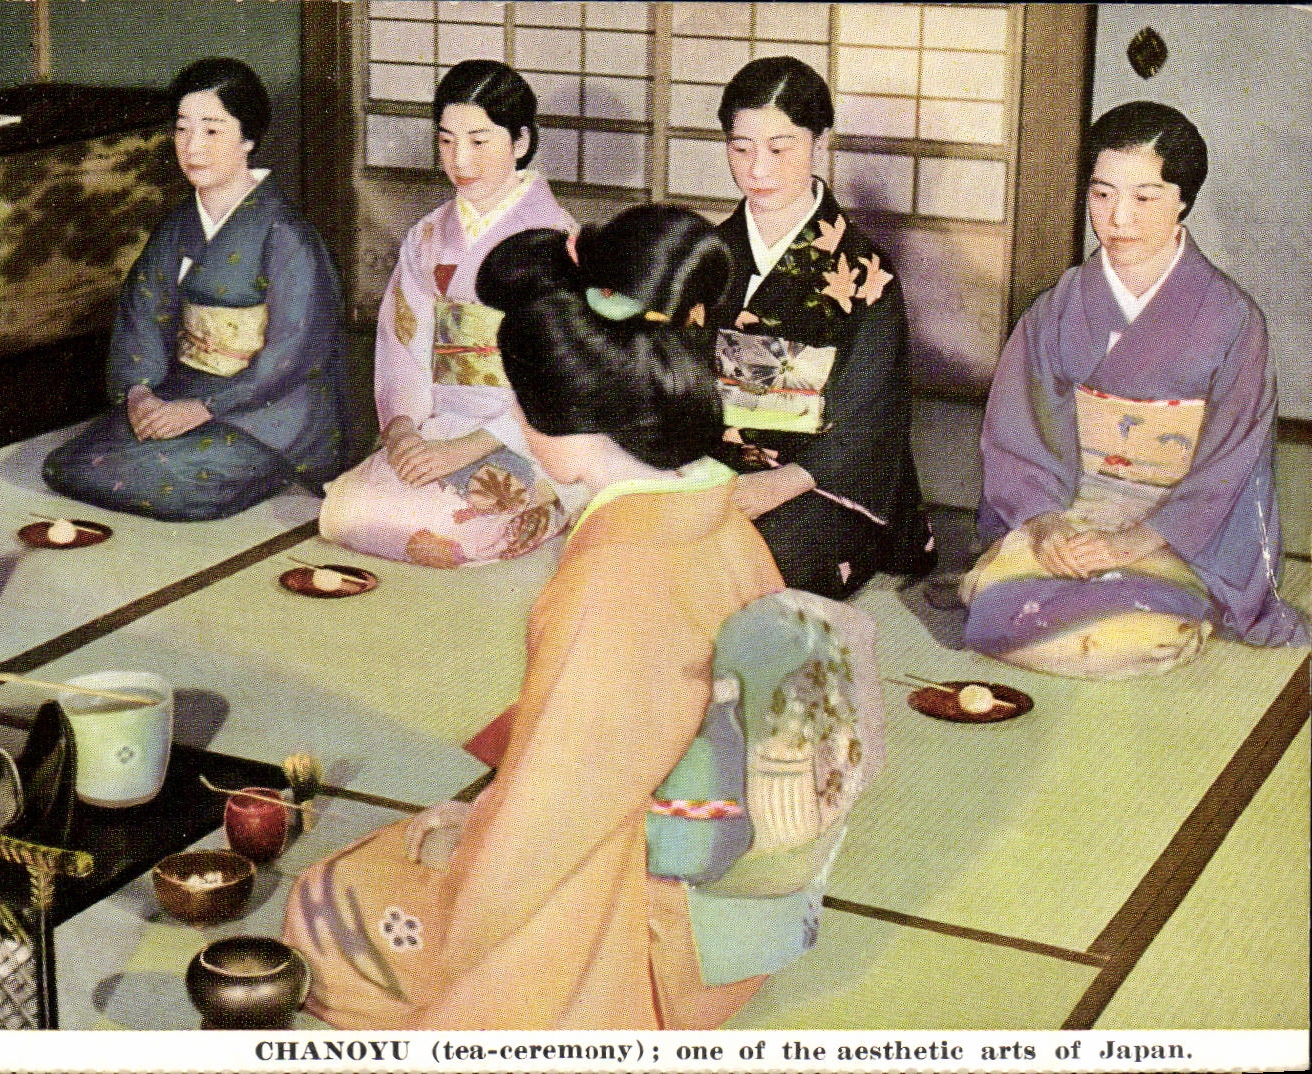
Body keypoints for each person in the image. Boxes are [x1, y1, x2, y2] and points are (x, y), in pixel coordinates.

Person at [284, 205, 870, 1030]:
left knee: (325, 907)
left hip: (644, 931)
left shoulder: (615, 576)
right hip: (741, 919)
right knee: (421, 842)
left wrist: (475, 846)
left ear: (544, 411)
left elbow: (559, 814)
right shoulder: (712, 510)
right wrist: (490, 807)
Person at [962, 101, 1308, 677]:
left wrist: (1134, 542)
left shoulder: (1232, 320)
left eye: (1144, 198)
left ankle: (1156, 610)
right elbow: (1019, 434)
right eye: (1102, 195)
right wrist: (1047, 525)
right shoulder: (1059, 309)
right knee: (995, 610)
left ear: (1183, 200)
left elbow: (1231, 468)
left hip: (1177, 526)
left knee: (1130, 631)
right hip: (1073, 505)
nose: (1118, 217)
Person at [42, 58, 348, 521]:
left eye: (211, 130)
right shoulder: (178, 225)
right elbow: (141, 315)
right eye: (183, 130)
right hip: (185, 388)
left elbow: (294, 352)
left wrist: (203, 408)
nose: (193, 147)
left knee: (174, 482)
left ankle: (271, 469)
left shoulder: (286, 235)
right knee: (71, 463)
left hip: (268, 410)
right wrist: (141, 394)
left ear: (247, 138)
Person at [317, 60, 585, 567]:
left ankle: (556, 503)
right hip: (439, 422)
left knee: (443, 534)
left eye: (479, 141)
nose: (459, 159)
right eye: (446, 141)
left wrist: (467, 448)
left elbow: (561, 379)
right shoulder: (428, 235)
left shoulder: (556, 240)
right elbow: (404, 342)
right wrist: (402, 430)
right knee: (344, 511)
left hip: (527, 434)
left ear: (521, 142)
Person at [706, 57, 934, 599]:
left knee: (756, 571)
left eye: (779, 149)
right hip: (714, 466)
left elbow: (871, 414)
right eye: (741, 149)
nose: (758, 169)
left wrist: (771, 487)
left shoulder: (863, 272)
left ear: (819, 143)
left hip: (820, 480)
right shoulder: (710, 254)